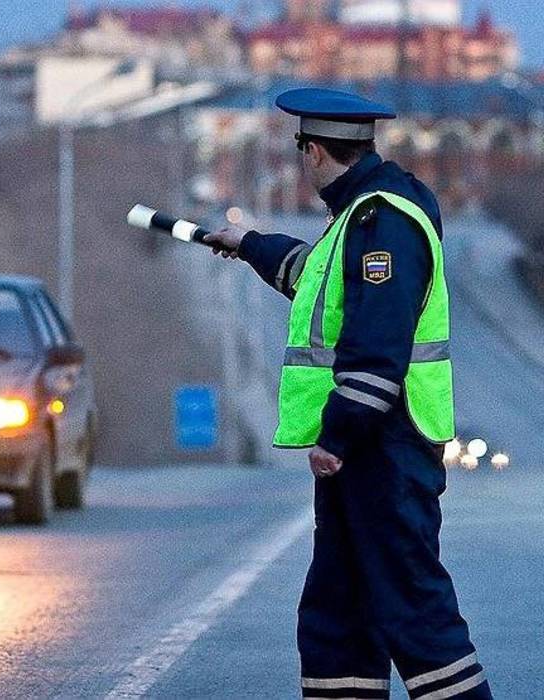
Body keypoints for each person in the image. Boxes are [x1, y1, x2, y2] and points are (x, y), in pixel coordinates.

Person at [205, 88, 492, 699]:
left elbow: (377, 341)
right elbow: (318, 282)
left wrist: (337, 436)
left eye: (300, 148)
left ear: (312, 151)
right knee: (340, 611)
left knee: (413, 608)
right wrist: (248, 243)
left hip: (384, 446)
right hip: (371, 449)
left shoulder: (382, 219)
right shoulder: (362, 215)